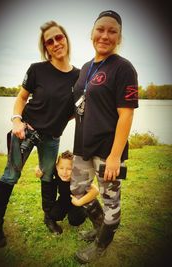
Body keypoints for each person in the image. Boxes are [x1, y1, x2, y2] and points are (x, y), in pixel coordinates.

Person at [0, 20, 80, 247]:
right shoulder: (36, 69)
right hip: (26, 131)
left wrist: (59, 120)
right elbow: (21, 98)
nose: (56, 43)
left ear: (66, 38)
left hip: (52, 138)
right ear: (46, 47)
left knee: (49, 177)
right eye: (49, 41)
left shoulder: (79, 77)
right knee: (10, 176)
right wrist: (17, 120)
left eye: (59, 37)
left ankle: (49, 218)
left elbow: (73, 110)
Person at [70, 10, 139, 263]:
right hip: (82, 146)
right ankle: (99, 227)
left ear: (119, 37)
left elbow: (126, 115)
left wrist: (114, 156)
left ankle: (101, 245)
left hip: (108, 149)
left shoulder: (124, 68)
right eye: (101, 29)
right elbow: (79, 103)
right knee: (78, 190)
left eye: (112, 31)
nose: (105, 35)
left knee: (111, 200)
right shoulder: (87, 68)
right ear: (92, 33)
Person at [35, 150, 100, 231]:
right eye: (61, 168)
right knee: (54, 214)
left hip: (77, 202)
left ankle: (85, 212)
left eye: (69, 169)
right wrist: (38, 168)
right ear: (57, 167)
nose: (64, 172)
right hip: (63, 201)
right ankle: (61, 213)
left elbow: (96, 190)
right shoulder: (57, 173)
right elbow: (44, 167)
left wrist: (80, 202)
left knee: (75, 221)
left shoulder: (78, 178)